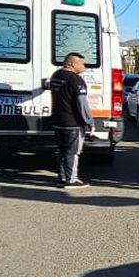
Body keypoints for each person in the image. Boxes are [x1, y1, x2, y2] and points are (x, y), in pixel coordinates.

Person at [48, 52, 94, 189]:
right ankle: (71, 179)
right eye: (82, 64)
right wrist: (89, 121)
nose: (84, 67)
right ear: (73, 64)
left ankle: (62, 177)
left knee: (62, 151)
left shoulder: (56, 76)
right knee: (73, 152)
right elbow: (82, 104)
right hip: (72, 122)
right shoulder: (76, 80)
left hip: (58, 121)